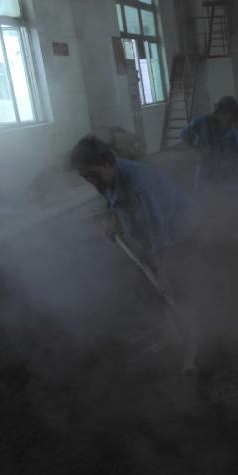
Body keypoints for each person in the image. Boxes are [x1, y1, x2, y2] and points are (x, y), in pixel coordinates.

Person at [71, 136, 198, 370]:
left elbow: (160, 234)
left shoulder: (140, 184)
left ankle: (192, 347)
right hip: (149, 237)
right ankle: (165, 336)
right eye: (85, 177)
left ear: (108, 162)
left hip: (178, 234)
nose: (90, 180)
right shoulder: (104, 180)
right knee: (149, 289)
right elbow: (117, 206)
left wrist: (163, 273)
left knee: (174, 289)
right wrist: (115, 224)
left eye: (93, 174)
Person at [181, 95, 238, 187]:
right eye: (229, 120)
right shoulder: (202, 122)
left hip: (225, 173)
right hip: (204, 171)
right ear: (219, 113)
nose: (231, 125)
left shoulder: (234, 135)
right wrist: (196, 151)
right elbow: (184, 135)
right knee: (201, 198)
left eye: (233, 121)